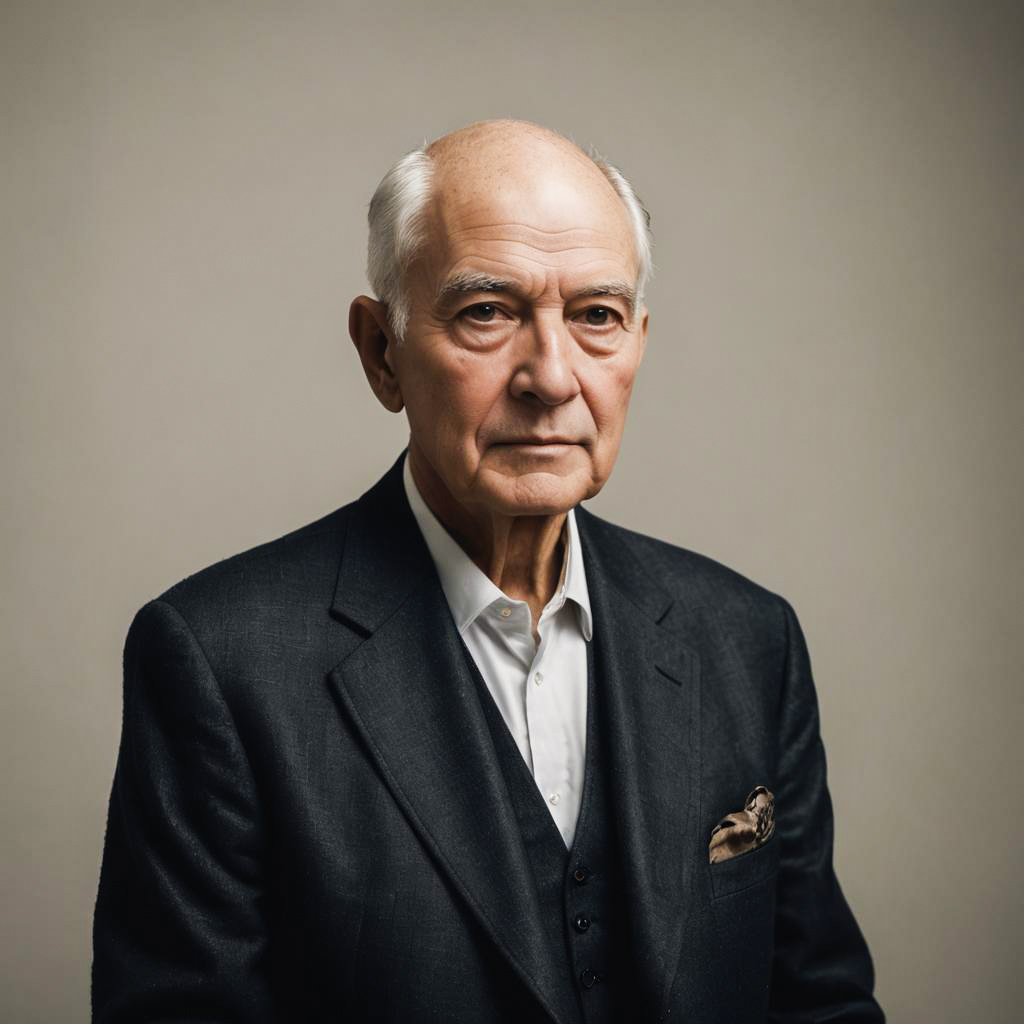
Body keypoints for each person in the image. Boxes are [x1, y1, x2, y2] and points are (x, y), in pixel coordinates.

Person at [92, 119, 884, 1023]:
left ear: (638, 344)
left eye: (596, 316)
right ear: (380, 352)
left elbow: (822, 1005)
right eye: (487, 312)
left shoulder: (749, 640)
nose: (552, 377)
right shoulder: (219, 662)